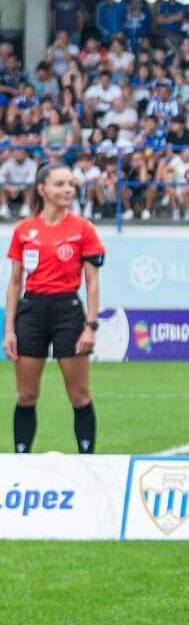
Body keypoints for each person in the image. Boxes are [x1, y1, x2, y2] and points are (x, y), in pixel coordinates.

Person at [6, 163, 105, 453]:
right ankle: (21, 461)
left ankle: (87, 461)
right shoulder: (24, 230)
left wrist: (91, 325)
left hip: (68, 312)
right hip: (31, 312)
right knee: (26, 395)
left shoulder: (83, 228)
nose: (68, 189)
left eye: (71, 184)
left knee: (79, 395)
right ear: (43, 189)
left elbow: (93, 283)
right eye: (60, 184)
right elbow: (15, 282)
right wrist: (9, 329)